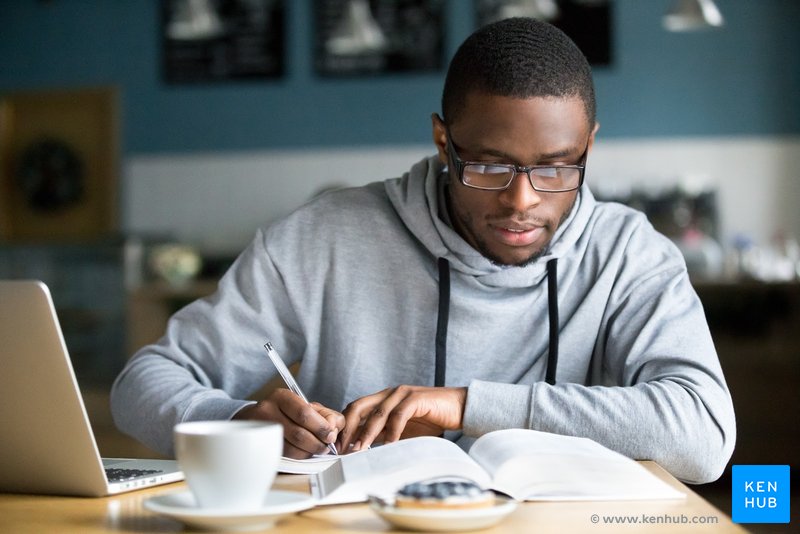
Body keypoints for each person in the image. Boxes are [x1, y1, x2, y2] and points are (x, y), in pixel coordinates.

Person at [111, 17, 735, 484]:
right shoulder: (323, 237)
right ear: (444, 140)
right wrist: (240, 419)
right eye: (489, 166)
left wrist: (464, 405)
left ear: (588, 146)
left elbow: (704, 437)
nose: (521, 201)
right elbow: (142, 382)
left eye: (555, 168)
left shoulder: (628, 254)